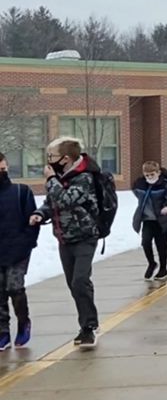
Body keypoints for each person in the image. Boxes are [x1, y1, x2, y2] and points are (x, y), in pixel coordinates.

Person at [28, 137, 102, 349]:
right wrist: (40, 214)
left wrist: (51, 180)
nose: (49, 161)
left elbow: (66, 199)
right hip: (64, 238)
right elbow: (52, 202)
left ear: (66, 158)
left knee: (80, 280)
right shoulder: (60, 177)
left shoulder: (83, 178)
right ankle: (89, 320)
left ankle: (88, 327)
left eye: (52, 156)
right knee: (73, 284)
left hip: (85, 237)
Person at [0, 152, 39, 350]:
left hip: (18, 250)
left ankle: (23, 323)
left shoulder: (20, 192)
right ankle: (3, 332)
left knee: (14, 287)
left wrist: (27, 243)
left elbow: (32, 221)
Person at [131, 161, 167, 281]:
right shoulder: (140, 184)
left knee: (161, 245)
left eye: (152, 174)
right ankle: (151, 263)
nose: (149, 177)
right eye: (147, 175)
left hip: (161, 219)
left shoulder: (166, 184)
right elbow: (135, 191)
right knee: (145, 242)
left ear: (158, 172)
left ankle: (163, 268)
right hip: (148, 219)